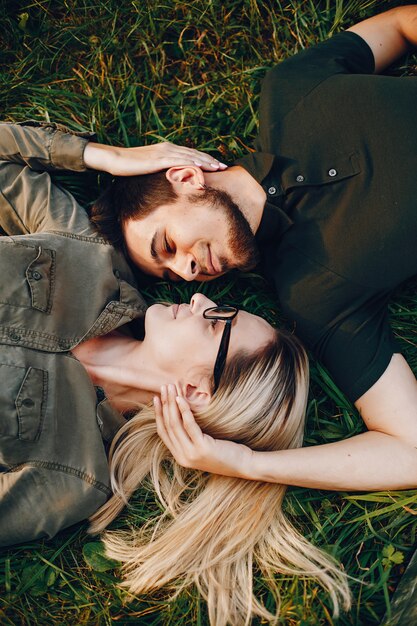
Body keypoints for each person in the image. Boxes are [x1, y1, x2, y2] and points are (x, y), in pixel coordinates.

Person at [0, 123, 348, 624]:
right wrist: (106, 157)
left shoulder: (75, 478)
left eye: (218, 322)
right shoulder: (90, 256)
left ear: (196, 392)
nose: (202, 297)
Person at [90, 6, 417, 492]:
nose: (187, 271)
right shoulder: (315, 296)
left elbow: (398, 26)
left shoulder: (289, 92)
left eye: (167, 245)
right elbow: (410, 451)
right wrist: (246, 464)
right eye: (172, 276)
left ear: (185, 177)